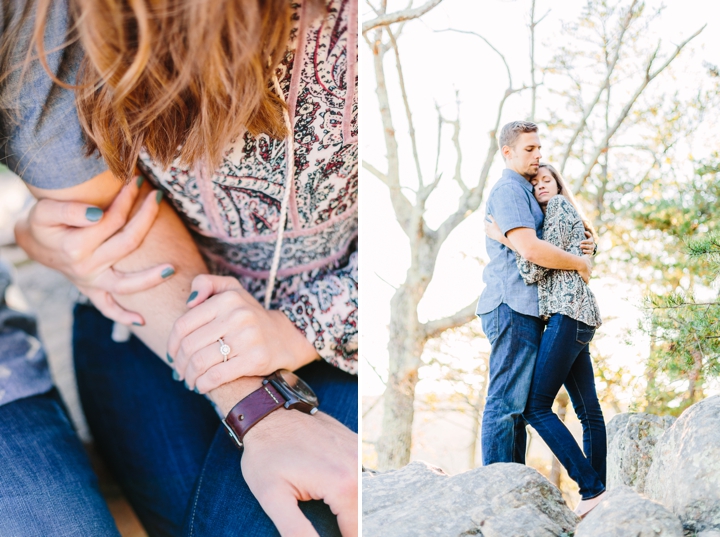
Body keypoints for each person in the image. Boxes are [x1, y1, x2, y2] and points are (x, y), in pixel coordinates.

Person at [3, 0, 358, 535]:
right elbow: (103, 215)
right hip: (151, 314)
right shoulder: (52, 17)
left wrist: (305, 325)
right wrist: (256, 405)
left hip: (348, 325)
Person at [486, 163, 607, 517]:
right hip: (579, 315)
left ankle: (591, 487)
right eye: (535, 181)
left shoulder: (554, 208)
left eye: (546, 179)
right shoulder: (564, 214)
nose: (540, 184)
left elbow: (533, 265)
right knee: (588, 411)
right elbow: (574, 253)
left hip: (566, 316)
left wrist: (502, 237)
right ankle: (599, 496)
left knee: (535, 407)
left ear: (558, 184)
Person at [475, 120, 595, 467]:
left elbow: (553, 239)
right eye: (529, 149)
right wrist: (578, 264)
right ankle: (497, 489)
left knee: (518, 408)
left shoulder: (530, 193)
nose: (537, 155)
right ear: (507, 152)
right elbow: (530, 250)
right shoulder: (509, 191)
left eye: (539, 148)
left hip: (528, 308)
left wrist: (587, 247)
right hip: (510, 305)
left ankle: (514, 483)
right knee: (505, 404)